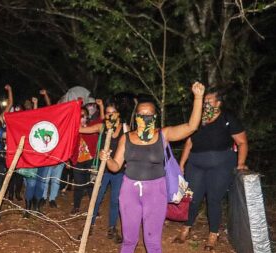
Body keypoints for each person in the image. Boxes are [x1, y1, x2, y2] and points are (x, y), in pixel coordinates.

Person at [100, 82, 205, 253]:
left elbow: (191, 127)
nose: (145, 117)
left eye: (149, 114)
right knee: (128, 240)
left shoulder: (163, 135)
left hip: (156, 191)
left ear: (155, 117)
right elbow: (115, 166)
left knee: (153, 242)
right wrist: (106, 158)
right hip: (129, 191)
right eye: (141, 114)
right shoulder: (126, 138)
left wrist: (198, 97)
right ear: (136, 117)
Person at [174, 87, 248, 251]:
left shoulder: (227, 119)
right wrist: (181, 164)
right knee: (192, 198)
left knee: (213, 200)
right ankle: (186, 227)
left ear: (218, 103)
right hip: (195, 164)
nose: (205, 104)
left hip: (221, 166)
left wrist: (241, 163)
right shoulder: (198, 119)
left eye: (208, 101)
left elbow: (242, 142)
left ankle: (213, 234)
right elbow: (189, 142)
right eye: (204, 101)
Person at [79, 101, 126, 243]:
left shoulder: (125, 128)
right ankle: (89, 226)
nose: (109, 115)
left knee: (115, 200)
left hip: (119, 171)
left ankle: (112, 228)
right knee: (96, 198)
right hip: (102, 170)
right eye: (107, 113)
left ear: (118, 114)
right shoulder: (102, 126)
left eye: (112, 112)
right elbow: (82, 129)